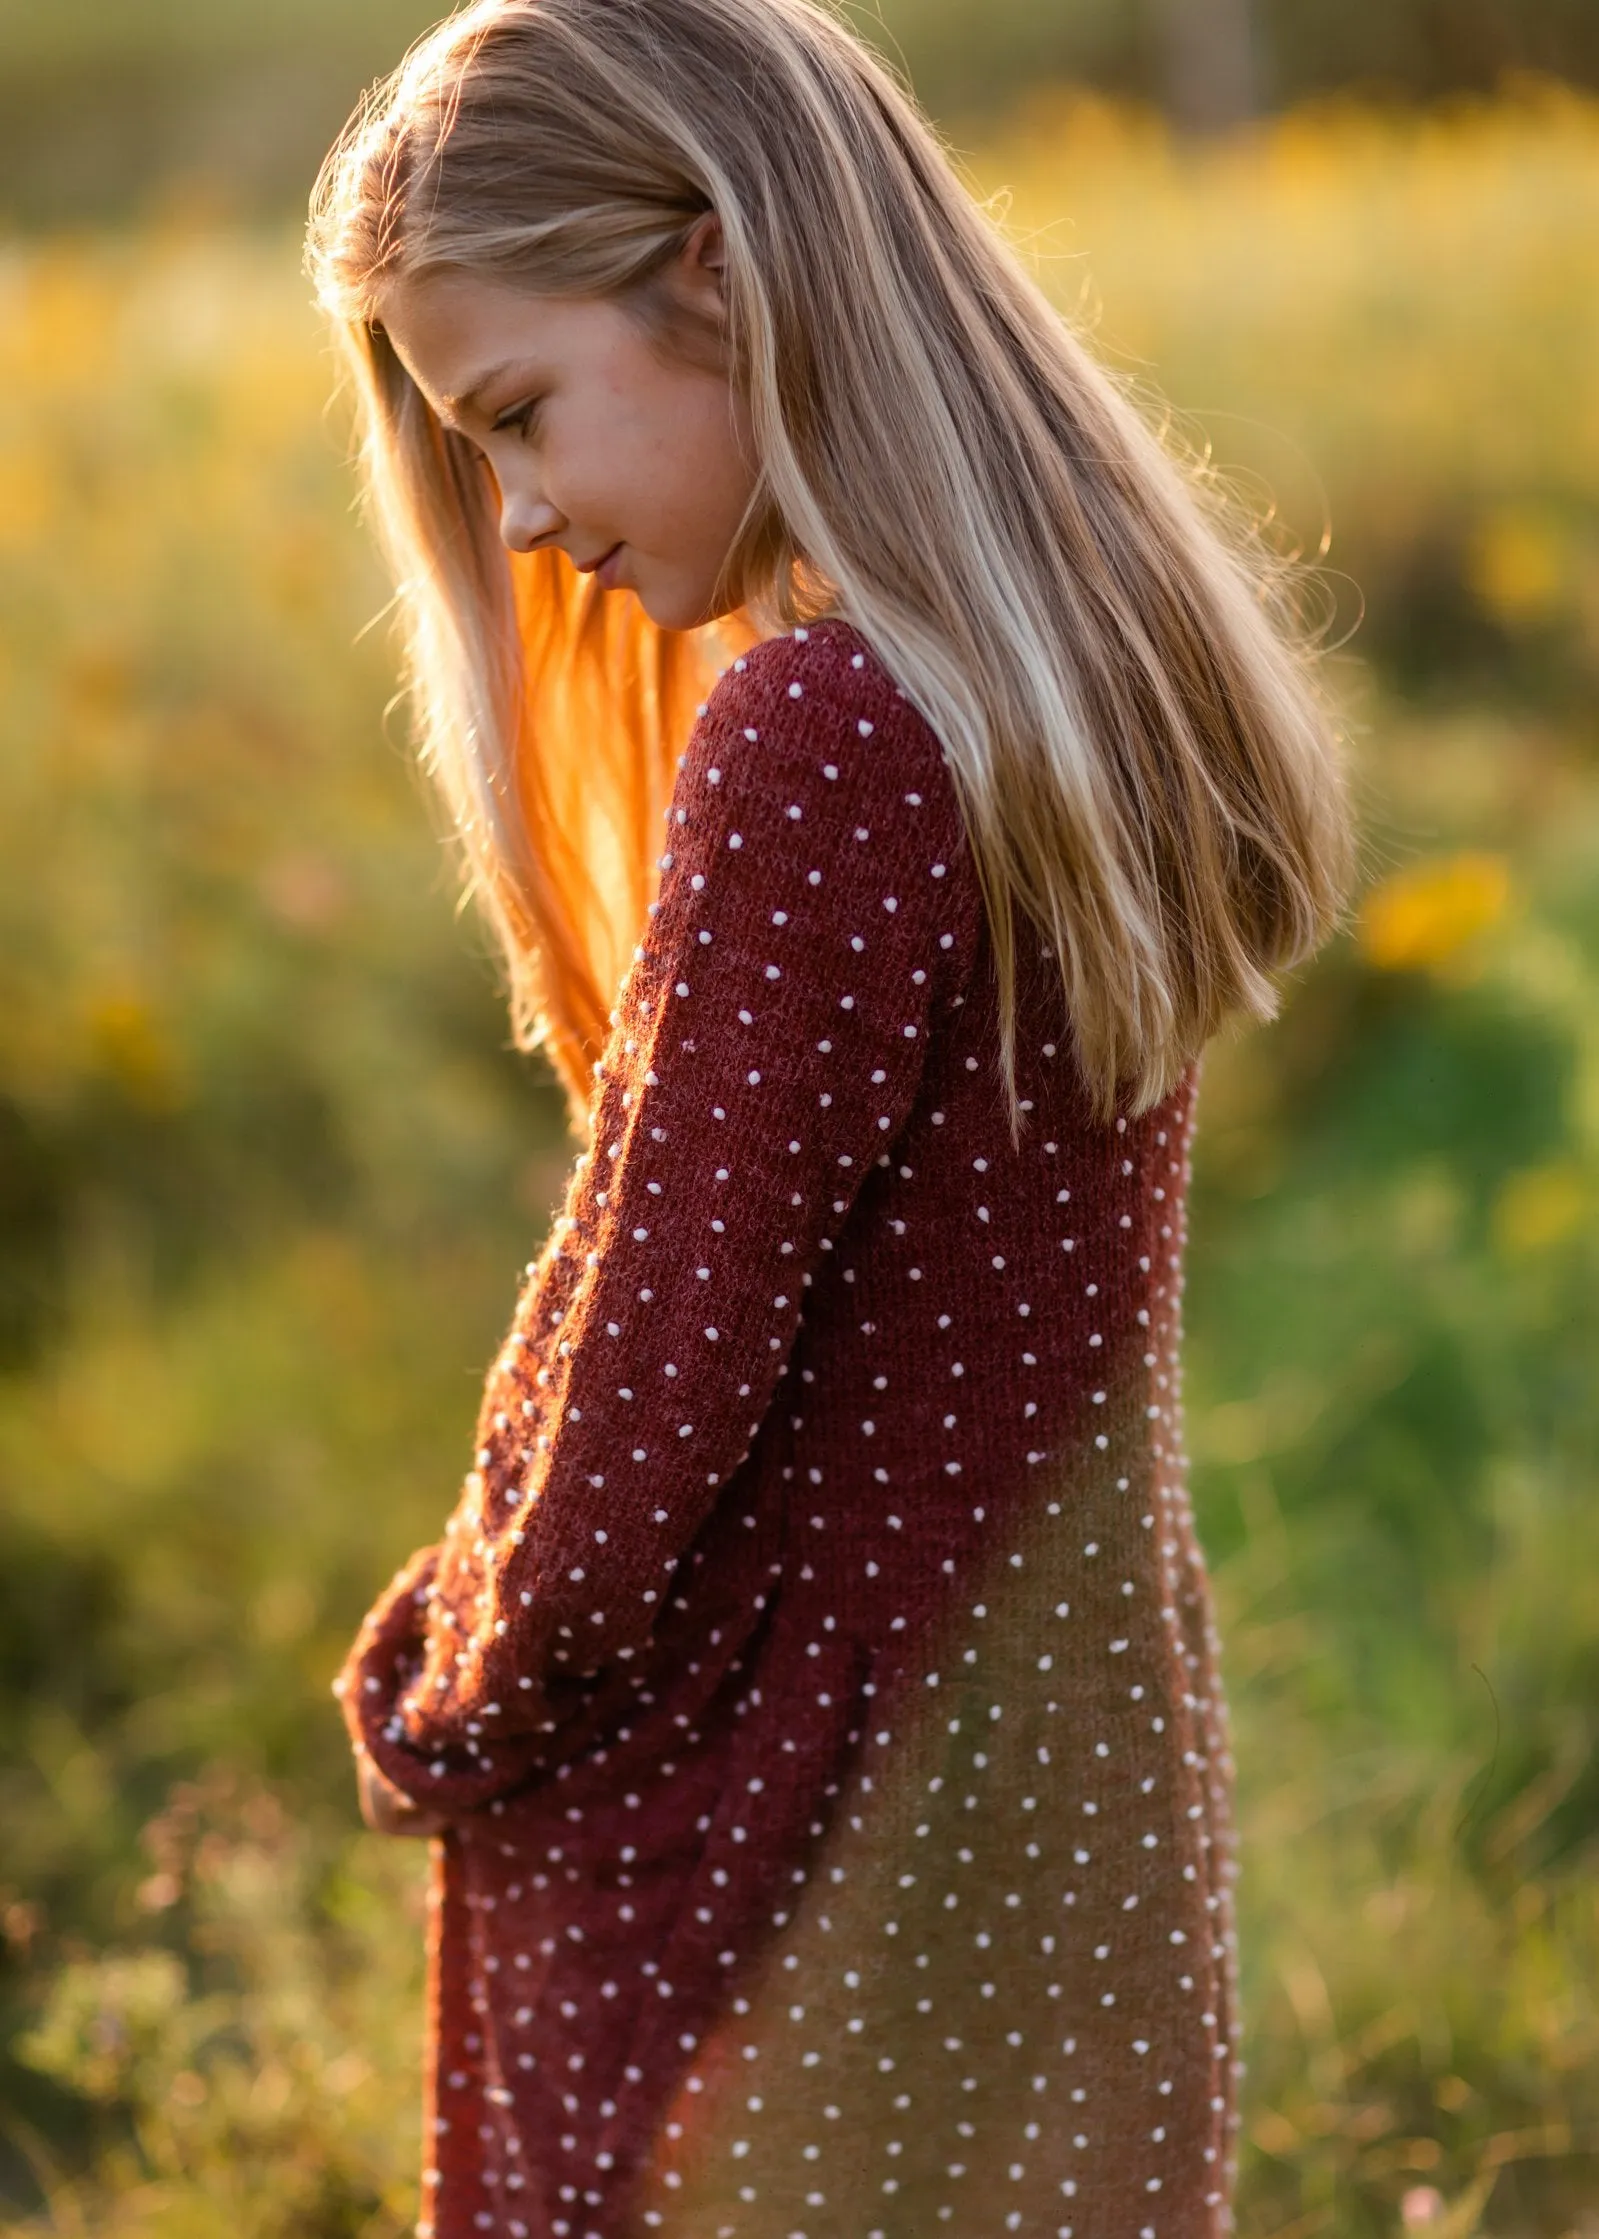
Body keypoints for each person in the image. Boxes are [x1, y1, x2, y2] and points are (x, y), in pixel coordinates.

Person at [305, 3, 1352, 2234]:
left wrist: (465, 1680)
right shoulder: (1049, 666)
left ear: (715, 269)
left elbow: (660, 1363)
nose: (514, 516)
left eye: (515, 413)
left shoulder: (824, 736)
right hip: (1049, 1782)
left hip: (776, 1837)